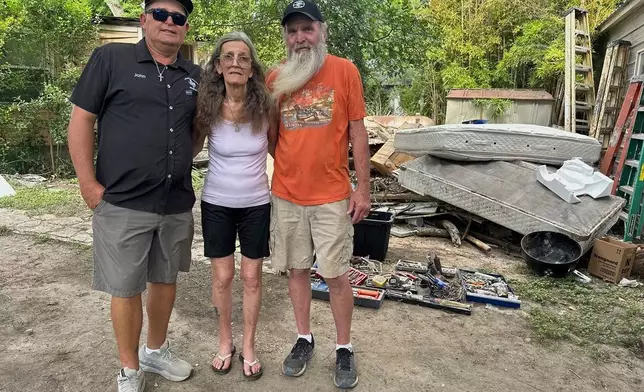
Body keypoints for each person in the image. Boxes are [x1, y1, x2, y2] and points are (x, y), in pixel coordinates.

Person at [67, 1, 200, 391]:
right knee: (125, 287)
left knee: (165, 279)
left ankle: (154, 352)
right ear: (143, 19)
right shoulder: (111, 58)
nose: (169, 23)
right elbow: (81, 119)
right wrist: (88, 184)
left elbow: (197, 130)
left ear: (185, 28)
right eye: (160, 14)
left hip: (175, 203)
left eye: (178, 18)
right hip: (122, 202)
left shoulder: (193, 74)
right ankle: (129, 369)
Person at [266, 0, 371, 389]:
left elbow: (358, 132)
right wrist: (293, 169)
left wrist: (363, 187)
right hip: (288, 196)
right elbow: (272, 138)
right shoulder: (276, 77)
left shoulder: (345, 71)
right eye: (293, 31)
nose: (300, 38)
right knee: (296, 270)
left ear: (322, 32)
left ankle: (344, 347)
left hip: (332, 197)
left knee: (336, 274)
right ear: (287, 38)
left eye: (307, 29)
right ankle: (304, 339)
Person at [192, 31, 274, 381]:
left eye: (243, 57)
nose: (236, 63)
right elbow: (189, 149)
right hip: (217, 203)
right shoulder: (206, 108)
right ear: (217, 67)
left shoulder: (266, 108)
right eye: (229, 57)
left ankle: (250, 347)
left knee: (252, 277)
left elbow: (282, 151)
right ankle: (225, 342)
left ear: (252, 69)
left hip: (256, 203)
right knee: (223, 277)